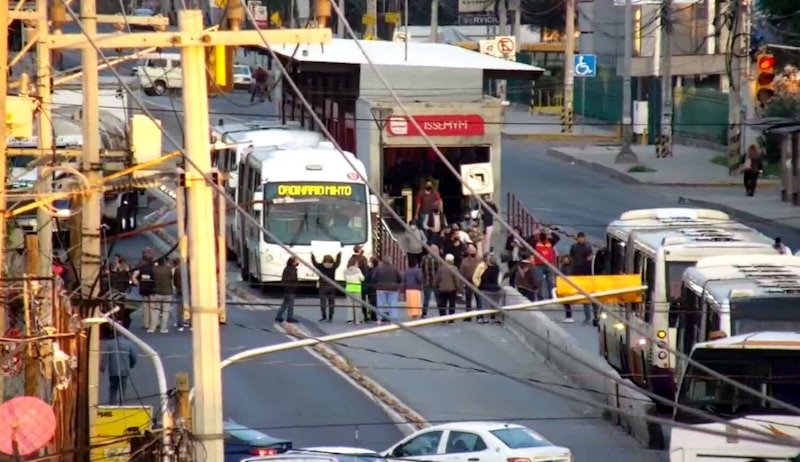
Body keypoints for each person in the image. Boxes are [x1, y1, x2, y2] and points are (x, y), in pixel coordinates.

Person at [100, 336, 138, 405]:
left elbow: (105, 356)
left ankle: (112, 404)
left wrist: (103, 367)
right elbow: (133, 356)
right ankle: (122, 404)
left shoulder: (110, 344)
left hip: (113, 371)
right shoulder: (129, 344)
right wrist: (132, 365)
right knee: (122, 389)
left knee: (113, 389)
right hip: (124, 371)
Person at [569, 231, 597, 325]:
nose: (581, 239)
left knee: (591, 297)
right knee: (584, 298)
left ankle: (596, 316)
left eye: (582, 237)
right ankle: (587, 318)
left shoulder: (588, 247)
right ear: (578, 238)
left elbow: (590, 257)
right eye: (579, 237)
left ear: (584, 238)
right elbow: (571, 257)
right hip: (577, 273)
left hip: (587, 274)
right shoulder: (574, 247)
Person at [311, 252, 342, 322]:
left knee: (323, 302)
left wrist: (312, 255)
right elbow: (338, 262)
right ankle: (330, 317)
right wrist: (339, 255)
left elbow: (314, 263)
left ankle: (324, 316)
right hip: (331, 286)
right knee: (331, 302)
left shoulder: (321, 266)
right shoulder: (334, 266)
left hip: (323, 286)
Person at [434, 254, 462, 323]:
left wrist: (435, 285)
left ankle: (443, 319)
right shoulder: (454, 268)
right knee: (452, 304)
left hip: (442, 289)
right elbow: (457, 279)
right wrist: (459, 288)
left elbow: (436, 279)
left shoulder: (441, 269)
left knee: (442, 304)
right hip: (451, 289)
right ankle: (451, 319)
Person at [374, 257, 402, 323]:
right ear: (390, 261)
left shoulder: (379, 268)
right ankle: (393, 319)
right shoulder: (394, 268)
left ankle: (379, 319)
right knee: (393, 304)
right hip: (393, 288)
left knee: (380, 303)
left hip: (381, 288)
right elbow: (400, 278)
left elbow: (373, 278)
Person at [132, 249, 155, 331]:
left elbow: (134, 276)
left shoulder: (140, 264)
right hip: (152, 287)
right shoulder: (154, 264)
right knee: (152, 306)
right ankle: (153, 322)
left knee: (145, 306)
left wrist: (138, 283)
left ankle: (146, 324)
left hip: (143, 287)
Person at [149, 259, 173, 334]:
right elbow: (171, 278)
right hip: (167, 292)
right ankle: (163, 328)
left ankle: (152, 328)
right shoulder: (168, 270)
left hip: (157, 292)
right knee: (166, 311)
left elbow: (152, 279)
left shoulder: (154, 270)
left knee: (155, 311)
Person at [477, 253, 502, 324]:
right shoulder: (497, 268)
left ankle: (486, 319)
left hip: (486, 289)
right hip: (496, 289)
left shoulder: (486, 269)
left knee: (485, 305)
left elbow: (483, 279)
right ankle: (497, 318)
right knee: (496, 304)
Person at [533, 230, 558, 300]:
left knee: (550, 281)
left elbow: (557, 238)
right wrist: (534, 234)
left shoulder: (550, 241)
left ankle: (551, 296)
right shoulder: (535, 242)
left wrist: (550, 232)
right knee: (539, 281)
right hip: (539, 265)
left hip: (549, 264)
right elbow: (528, 241)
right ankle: (540, 297)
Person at [276, 257, 299, 323]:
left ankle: (279, 316)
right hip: (290, 289)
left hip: (286, 289)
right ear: (292, 262)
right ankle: (290, 317)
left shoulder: (287, 268)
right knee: (290, 304)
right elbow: (292, 278)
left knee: (285, 303)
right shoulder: (292, 269)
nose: (297, 262)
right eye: (296, 261)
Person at [459, 245, 481, 317]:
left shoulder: (479, 260)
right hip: (468, 282)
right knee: (468, 300)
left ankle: (479, 315)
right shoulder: (464, 261)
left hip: (477, 282)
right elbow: (462, 272)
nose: (472, 252)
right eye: (471, 251)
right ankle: (468, 316)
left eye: (473, 251)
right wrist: (462, 283)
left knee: (479, 299)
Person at [420, 245, 440, 319]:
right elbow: (440, 271)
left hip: (427, 282)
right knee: (439, 299)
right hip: (436, 283)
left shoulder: (424, 258)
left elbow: (421, 269)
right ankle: (442, 315)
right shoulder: (438, 259)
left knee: (426, 299)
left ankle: (424, 314)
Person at [344, 256, 365, 324]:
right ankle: (357, 320)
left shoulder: (345, 270)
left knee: (350, 305)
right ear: (355, 263)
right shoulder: (358, 270)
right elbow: (362, 278)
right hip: (357, 288)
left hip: (349, 288)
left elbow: (345, 279)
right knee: (357, 305)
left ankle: (350, 319)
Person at [364, 256, 380, 321]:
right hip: (373, 288)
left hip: (372, 288)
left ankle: (372, 315)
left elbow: (369, 279)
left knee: (372, 302)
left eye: (370, 262)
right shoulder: (375, 269)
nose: (368, 263)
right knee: (373, 302)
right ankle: (373, 315)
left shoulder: (372, 270)